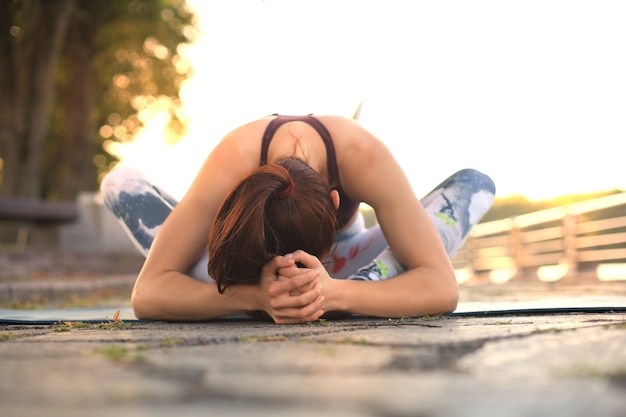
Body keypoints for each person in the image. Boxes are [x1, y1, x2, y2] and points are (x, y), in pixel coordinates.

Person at [101, 114, 496, 324]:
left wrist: (333, 293)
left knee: (475, 185)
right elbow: (148, 292)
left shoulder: (362, 154)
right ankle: (287, 285)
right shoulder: (232, 160)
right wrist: (255, 294)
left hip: (344, 267)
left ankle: (344, 287)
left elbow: (442, 286)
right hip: (245, 268)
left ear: (336, 200)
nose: (292, 267)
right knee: (120, 183)